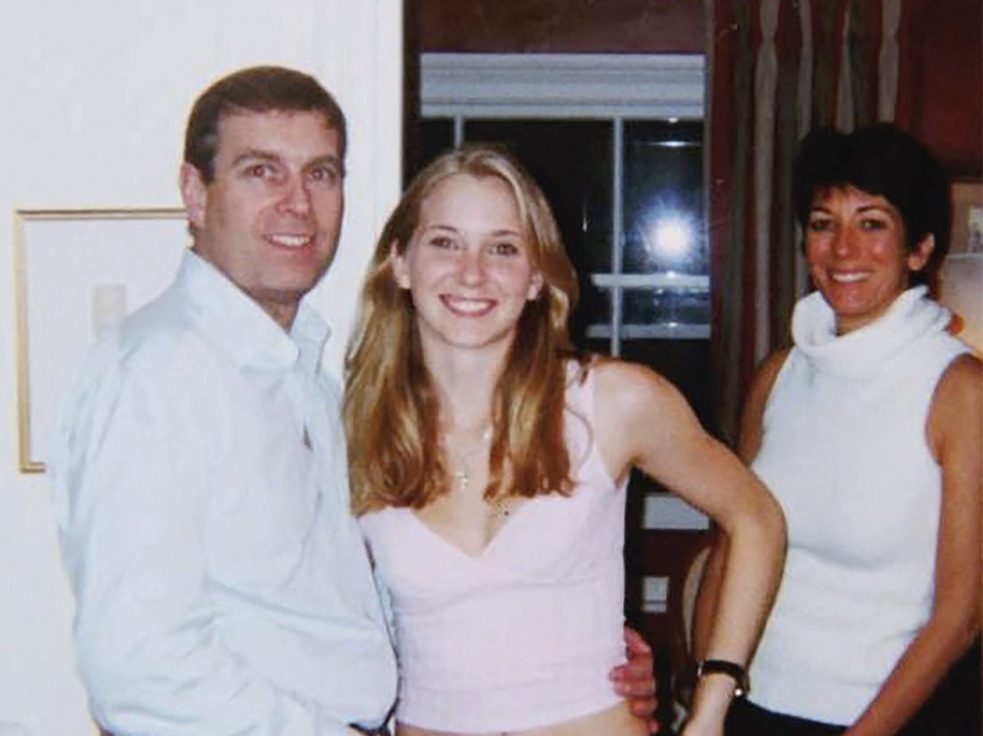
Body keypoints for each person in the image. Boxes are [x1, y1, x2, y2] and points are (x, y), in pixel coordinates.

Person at [49, 66, 657, 736]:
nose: (296, 203)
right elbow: (138, 667)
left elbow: (343, 608)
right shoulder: (155, 375)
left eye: (320, 174)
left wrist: (564, 650)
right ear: (196, 193)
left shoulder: (314, 382)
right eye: (261, 172)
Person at [344, 144, 787, 736]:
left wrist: (710, 708)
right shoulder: (354, 428)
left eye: (503, 248)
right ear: (400, 263)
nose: (472, 272)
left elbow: (757, 518)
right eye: (445, 242)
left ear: (535, 278)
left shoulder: (612, 402)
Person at [694, 123, 982, 735]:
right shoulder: (779, 374)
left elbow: (961, 616)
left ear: (919, 249)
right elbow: (728, 551)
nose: (843, 249)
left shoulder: (960, 391)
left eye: (872, 224)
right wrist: (708, 701)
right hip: (751, 708)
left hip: (886, 720)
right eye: (823, 224)